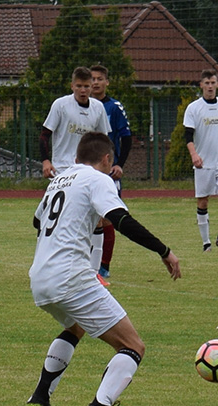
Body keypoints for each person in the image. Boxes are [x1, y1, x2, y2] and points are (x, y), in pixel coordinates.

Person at [25, 132, 181, 406]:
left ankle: (40, 397)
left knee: (76, 328)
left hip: (40, 278)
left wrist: (89, 218)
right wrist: (164, 251)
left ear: (76, 158)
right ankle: (101, 405)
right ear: (108, 160)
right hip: (70, 276)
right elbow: (122, 221)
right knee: (133, 345)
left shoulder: (59, 180)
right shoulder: (100, 179)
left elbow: (38, 221)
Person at [40, 66, 112, 286]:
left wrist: (107, 165)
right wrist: (45, 160)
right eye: (79, 86)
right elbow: (45, 134)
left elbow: (102, 140)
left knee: (97, 218)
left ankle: (94, 273)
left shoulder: (98, 108)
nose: (83, 90)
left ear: (93, 87)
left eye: (87, 86)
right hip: (62, 170)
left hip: (88, 171)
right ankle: (49, 264)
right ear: (72, 86)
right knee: (56, 219)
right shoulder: (60, 105)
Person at [183, 69, 218, 253]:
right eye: (206, 83)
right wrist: (194, 155)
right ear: (201, 85)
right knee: (203, 202)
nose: (210, 86)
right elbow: (188, 135)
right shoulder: (193, 108)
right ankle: (206, 242)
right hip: (203, 162)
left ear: (217, 85)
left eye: (213, 83)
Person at [90, 65, 133, 280]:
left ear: (107, 82)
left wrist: (119, 164)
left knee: (106, 218)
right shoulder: (79, 106)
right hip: (85, 171)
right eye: (92, 79)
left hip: (107, 171)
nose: (96, 82)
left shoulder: (114, 107)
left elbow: (126, 138)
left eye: (100, 79)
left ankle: (103, 267)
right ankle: (87, 264)